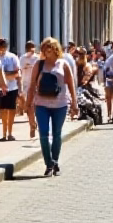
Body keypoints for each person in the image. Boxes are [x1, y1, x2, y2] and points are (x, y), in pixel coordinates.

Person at [27, 36, 78, 176]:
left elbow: (71, 84)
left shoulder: (63, 64)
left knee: (57, 135)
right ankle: (48, 164)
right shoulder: (39, 64)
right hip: (41, 104)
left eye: (50, 48)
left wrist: (74, 103)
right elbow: (32, 85)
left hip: (60, 104)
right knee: (43, 134)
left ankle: (55, 161)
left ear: (56, 49)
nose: (47, 51)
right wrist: (28, 103)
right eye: (45, 48)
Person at [0, 37, 23, 142]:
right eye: (0, 46)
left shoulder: (13, 57)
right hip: (0, 88)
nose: (2, 48)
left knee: (11, 110)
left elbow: (17, 73)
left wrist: (20, 90)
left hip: (12, 87)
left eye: (3, 46)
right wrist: (7, 75)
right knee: (2, 110)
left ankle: (10, 133)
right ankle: (3, 133)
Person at [19, 40, 40, 139]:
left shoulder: (38, 58)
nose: (31, 49)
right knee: (29, 106)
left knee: (36, 106)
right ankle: (32, 124)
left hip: (37, 84)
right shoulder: (22, 58)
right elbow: (20, 70)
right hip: (26, 85)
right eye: (29, 48)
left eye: (32, 47)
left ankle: (36, 122)